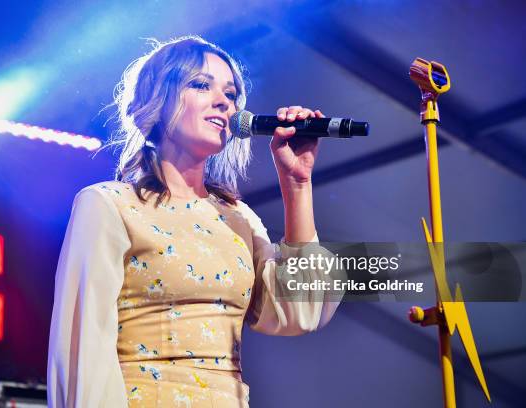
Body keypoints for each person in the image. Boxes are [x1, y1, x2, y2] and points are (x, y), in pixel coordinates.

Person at [47, 35, 342, 407]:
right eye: (201, 85)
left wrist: (297, 183)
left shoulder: (237, 219)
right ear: (158, 98)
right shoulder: (110, 206)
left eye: (231, 94)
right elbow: (83, 349)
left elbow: (300, 311)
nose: (224, 101)